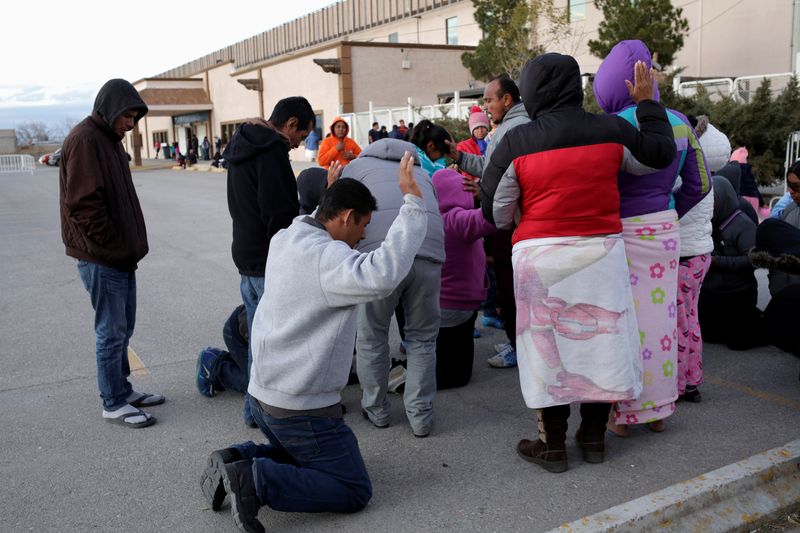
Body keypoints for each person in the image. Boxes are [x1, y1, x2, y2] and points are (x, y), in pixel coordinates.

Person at [200, 160, 428, 533]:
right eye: (364, 226)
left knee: (309, 458)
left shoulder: (287, 237)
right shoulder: (329, 259)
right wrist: (413, 204)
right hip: (299, 408)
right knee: (353, 487)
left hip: (264, 396)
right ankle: (256, 481)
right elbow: (383, 274)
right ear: (348, 216)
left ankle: (239, 458)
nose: (362, 237)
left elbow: (312, 219)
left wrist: (325, 194)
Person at [484, 54, 676, 472]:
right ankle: (592, 438)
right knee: (601, 346)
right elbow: (659, 155)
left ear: (531, 91)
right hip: (601, 252)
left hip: (541, 256)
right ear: (576, 86)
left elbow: (494, 212)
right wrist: (647, 103)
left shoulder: (517, 141)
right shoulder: (611, 129)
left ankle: (551, 445)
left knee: (546, 349)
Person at [593, 40, 710, 436]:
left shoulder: (611, 126)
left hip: (618, 231)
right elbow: (701, 183)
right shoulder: (678, 121)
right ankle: (657, 412)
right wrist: (670, 209)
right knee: (659, 322)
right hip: (663, 228)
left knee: (619, 323)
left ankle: (620, 414)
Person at [59, 78, 164, 428]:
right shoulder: (86, 140)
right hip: (102, 257)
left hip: (118, 256)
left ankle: (123, 388)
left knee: (123, 327)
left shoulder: (109, 140)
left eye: (135, 117)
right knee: (111, 330)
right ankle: (113, 401)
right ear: (109, 108)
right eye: (127, 116)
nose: (130, 124)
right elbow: (83, 205)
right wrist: (114, 244)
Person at [222, 96, 315, 427]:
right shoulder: (271, 151)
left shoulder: (243, 143)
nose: (296, 144)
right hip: (267, 259)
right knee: (271, 343)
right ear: (290, 124)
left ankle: (253, 410)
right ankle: (263, 412)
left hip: (246, 253)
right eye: (301, 136)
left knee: (259, 340)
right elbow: (278, 212)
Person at [343, 138, 445, 438]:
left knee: (372, 334)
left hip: (380, 256)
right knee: (423, 339)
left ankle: (376, 409)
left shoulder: (356, 167)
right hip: (428, 255)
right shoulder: (421, 171)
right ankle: (421, 417)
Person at [448, 75, 531, 370]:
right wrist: (458, 157)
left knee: (511, 287)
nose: (486, 106)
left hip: (513, 221)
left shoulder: (512, 129)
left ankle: (518, 346)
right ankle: (517, 340)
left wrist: (483, 192)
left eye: (488, 100)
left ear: (506, 100)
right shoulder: (511, 127)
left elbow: (503, 179)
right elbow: (489, 167)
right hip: (515, 218)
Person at [673, 115, 729, 403]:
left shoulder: (685, 178)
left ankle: (680, 383)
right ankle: (692, 380)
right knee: (691, 319)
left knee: (679, 324)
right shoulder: (707, 177)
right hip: (701, 253)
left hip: (683, 255)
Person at [431, 168, 496, 389]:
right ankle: (415, 380)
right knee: (456, 373)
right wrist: (485, 195)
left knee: (447, 354)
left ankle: (423, 372)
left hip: (445, 302)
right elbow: (491, 218)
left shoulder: (436, 219)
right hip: (456, 305)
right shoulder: (456, 220)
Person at [698, 177, 766, 350]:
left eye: (711, 200)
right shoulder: (706, 222)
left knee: (738, 343)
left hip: (737, 293)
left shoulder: (743, 224)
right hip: (712, 293)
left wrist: (716, 260)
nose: (707, 205)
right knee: (710, 337)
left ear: (723, 199)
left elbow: (753, 260)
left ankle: (760, 320)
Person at [764, 160, 800, 296]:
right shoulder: (788, 210)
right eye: (790, 186)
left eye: (797, 186)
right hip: (784, 292)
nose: (791, 192)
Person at [196, 306, 250, 396]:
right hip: (239, 332)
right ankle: (214, 366)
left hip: (249, 331)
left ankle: (227, 360)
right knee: (264, 389)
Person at [730, 147, 764, 212]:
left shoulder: (733, 171)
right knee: (753, 218)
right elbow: (755, 187)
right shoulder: (748, 172)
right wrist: (762, 203)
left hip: (742, 197)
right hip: (754, 197)